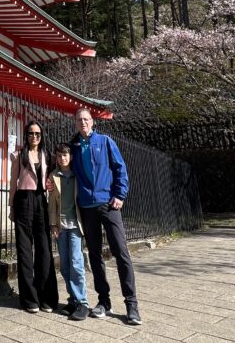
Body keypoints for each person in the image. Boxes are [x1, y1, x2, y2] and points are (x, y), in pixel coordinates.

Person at [69, 107, 142, 325]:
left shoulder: (105, 141)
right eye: (79, 119)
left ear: (92, 122)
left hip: (109, 204)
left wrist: (120, 194)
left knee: (121, 252)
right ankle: (104, 301)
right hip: (87, 206)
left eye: (86, 119)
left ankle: (131, 304)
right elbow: (64, 170)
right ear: (75, 123)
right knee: (94, 255)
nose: (83, 122)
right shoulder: (73, 147)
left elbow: (120, 168)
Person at [9, 120, 59, 314]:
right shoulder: (18, 156)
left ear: (42, 136)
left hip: (41, 200)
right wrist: (11, 206)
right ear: (26, 135)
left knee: (44, 248)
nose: (34, 137)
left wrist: (52, 183)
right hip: (22, 200)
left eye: (38, 134)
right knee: (24, 250)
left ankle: (47, 297)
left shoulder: (48, 155)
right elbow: (13, 182)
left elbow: (59, 169)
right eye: (31, 133)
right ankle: (29, 298)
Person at [47, 142, 89, 321]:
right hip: (61, 225)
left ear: (70, 157)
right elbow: (52, 203)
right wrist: (53, 224)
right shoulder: (53, 176)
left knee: (76, 262)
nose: (62, 158)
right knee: (64, 265)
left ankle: (82, 302)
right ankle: (72, 299)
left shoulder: (78, 175)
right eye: (59, 155)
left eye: (65, 155)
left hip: (75, 224)